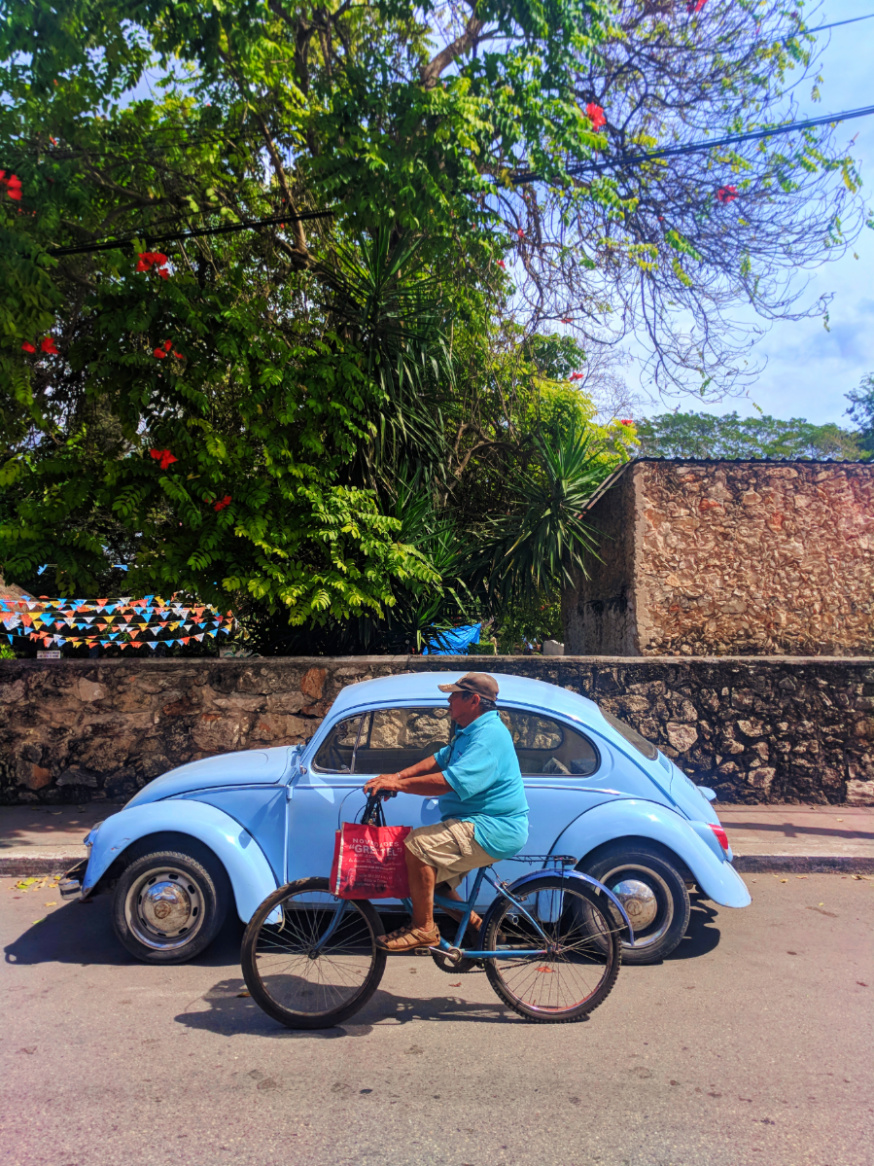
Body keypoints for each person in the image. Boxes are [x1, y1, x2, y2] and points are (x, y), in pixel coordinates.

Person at [363, 672, 529, 953]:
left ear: (474, 700)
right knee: (432, 885)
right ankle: (479, 928)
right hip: (476, 823)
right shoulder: (472, 730)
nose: (448, 700)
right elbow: (439, 759)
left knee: (416, 846)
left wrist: (399, 785)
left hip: (493, 827)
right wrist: (397, 775)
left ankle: (423, 929)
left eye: (454, 695)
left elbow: (449, 781)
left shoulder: (489, 736)